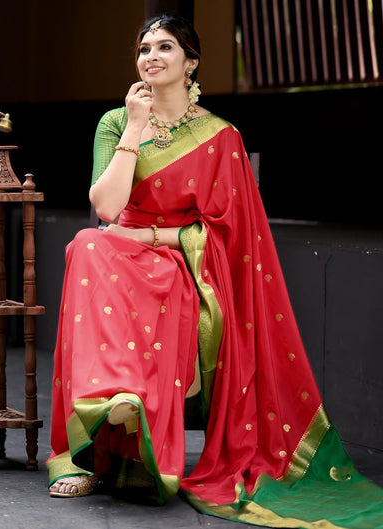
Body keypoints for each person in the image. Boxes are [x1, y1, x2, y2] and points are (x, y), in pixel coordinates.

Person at [46, 13, 383, 528]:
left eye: (164, 47)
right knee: (87, 243)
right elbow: (108, 208)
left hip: (185, 263)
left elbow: (230, 236)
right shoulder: (116, 121)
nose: (151, 57)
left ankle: (122, 412)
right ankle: (111, 408)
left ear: (190, 62)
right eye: (143, 49)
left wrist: (150, 237)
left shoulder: (221, 137)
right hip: (119, 251)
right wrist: (135, 127)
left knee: (100, 249)